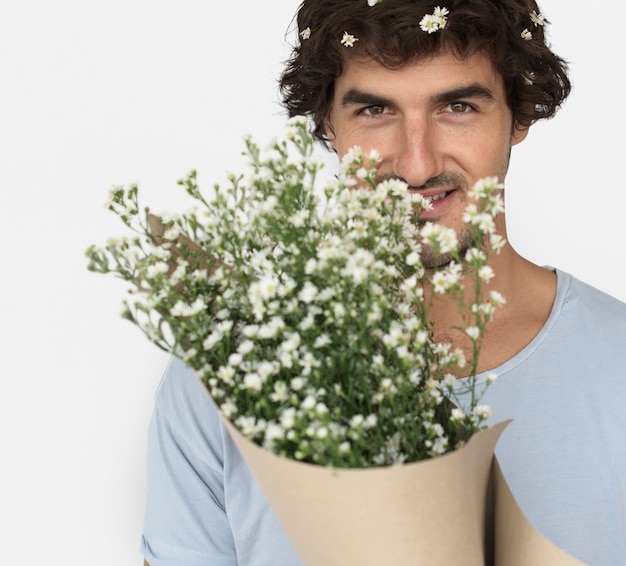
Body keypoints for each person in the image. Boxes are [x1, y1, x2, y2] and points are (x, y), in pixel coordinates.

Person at [140, 1, 626, 564]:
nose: (416, 166)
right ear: (328, 121)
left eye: (458, 106)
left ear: (520, 114)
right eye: (375, 110)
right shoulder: (230, 369)